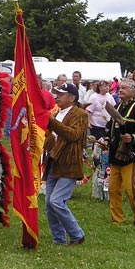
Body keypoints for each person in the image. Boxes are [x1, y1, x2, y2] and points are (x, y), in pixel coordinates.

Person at [42, 83, 87, 245]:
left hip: (69, 163)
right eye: (57, 94)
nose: (57, 97)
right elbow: (51, 135)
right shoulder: (57, 113)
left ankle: (77, 234)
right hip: (54, 161)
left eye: (61, 94)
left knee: (56, 201)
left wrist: (51, 122)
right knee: (48, 203)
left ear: (72, 98)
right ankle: (59, 238)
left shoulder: (80, 114)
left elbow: (73, 135)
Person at [107, 78, 135, 225]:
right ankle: (117, 219)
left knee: (131, 188)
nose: (120, 90)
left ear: (133, 92)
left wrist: (133, 137)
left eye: (124, 89)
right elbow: (111, 127)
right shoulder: (117, 106)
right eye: (119, 88)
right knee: (113, 189)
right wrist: (106, 139)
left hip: (131, 155)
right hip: (115, 154)